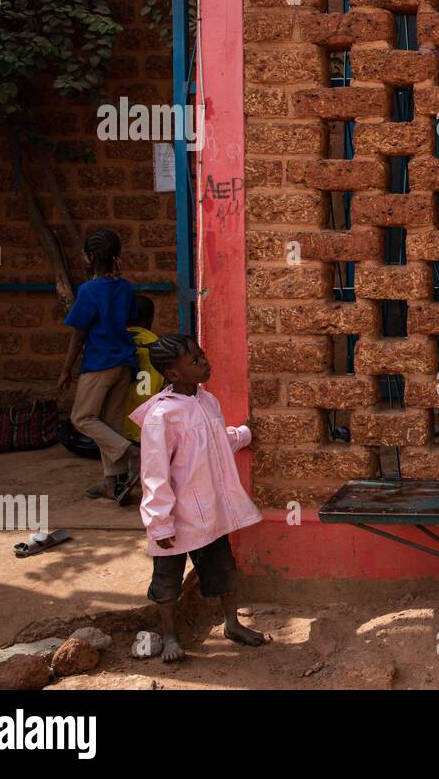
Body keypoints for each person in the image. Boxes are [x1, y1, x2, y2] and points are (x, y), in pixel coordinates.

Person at [128, 334, 266, 663]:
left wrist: (244, 434)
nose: (204, 362)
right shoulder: (162, 417)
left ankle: (232, 623)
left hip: (209, 510)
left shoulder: (207, 401)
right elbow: (154, 474)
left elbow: (214, 443)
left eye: (201, 355)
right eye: (193, 361)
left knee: (222, 570)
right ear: (173, 375)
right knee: (167, 579)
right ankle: (171, 635)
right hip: (175, 515)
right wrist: (160, 523)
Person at [57, 229, 140, 503]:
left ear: (89, 258)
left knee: (82, 418)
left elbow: (79, 334)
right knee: (111, 422)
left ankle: (131, 453)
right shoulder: (125, 287)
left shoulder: (89, 290)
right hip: (125, 362)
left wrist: (66, 370)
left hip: (99, 363)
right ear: (116, 256)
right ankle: (111, 483)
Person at [122, 294, 165, 446]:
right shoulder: (161, 349)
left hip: (117, 430)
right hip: (149, 430)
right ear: (150, 319)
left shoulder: (115, 345)